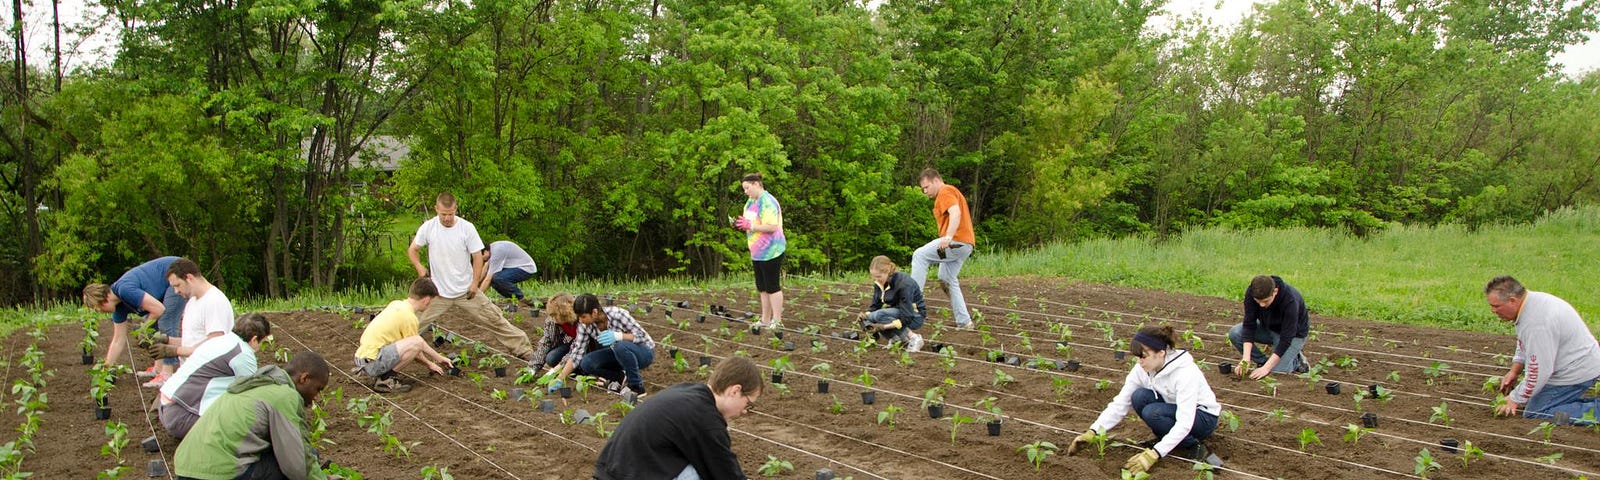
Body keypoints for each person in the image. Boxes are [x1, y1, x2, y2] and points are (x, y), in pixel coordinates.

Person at [1067, 326, 1222, 476]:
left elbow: (1185, 421)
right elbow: (1121, 402)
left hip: (1203, 418)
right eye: (1137, 356)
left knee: (1152, 413)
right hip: (1173, 410)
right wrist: (1093, 431)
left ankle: (1193, 446)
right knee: (1139, 396)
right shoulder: (1142, 368)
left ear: (1161, 353)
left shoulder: (1185, 373)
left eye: (1144, 356)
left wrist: (1155, 454)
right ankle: (1167, 437)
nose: (1140, 361)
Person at [407, 192, 535, 361]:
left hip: (466, 290)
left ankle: (523, 350)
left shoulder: (466, 228)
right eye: (443, 214)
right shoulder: (428, 227)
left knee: (494, 318)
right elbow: (413, 250)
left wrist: (475, 283)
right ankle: (391, 352)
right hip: (437, 292)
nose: (447, 218)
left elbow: (477, 257)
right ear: (436, 209)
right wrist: (420, 268)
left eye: (451, 214)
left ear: (455, 209)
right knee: (412, 323)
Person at [594, 357, 763, 480]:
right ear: (735, 391)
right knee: (699, 474)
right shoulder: (705, 418)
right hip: (626, 474)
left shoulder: (689, 392)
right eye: (748, 403)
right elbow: (725, 471)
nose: (745, 411)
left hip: (611, 470)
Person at [174, 351, 330, 480]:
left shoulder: (256, 384)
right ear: (304, 378)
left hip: (186, 469)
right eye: (318, 389)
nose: (316, 396)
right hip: (217, 474)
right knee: (294, 465)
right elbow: (297, 465)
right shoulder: (285, 395)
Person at [1486, 276, 1600, 424]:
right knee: (1538, 401)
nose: (1492, 311)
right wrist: (1515, 370)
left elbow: (1539, 371)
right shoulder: (1530, 303)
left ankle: (1595, 412)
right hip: (1578, 363)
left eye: (1496, 306)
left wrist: (1514, 399)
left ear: (1512, 300)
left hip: (1575, 371)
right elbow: (1524, 341)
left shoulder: (1537, 323)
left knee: (1537, 413)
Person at [158, 313, 270, 440]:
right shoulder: (242, 353)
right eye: (262, 342)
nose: (260, 348)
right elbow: (251, 395)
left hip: (165, 406)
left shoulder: (219, 341)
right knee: (246, 423)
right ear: (254, 339)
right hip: (182, 417)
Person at [83, 256, 186, 383]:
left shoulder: (125, 290)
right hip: (163, 287)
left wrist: (143, 328)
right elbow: (118, 340)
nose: (101, 312)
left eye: (98, 308)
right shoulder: (119, 308)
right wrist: (106, 370)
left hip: (176, 272)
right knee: (152, 323)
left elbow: (159, 309)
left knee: (165, 321)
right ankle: (158, 369)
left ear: (103, 300)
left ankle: (167, 374)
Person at [147, 258, 237, 388]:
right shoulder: (192, 301)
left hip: (207, 379)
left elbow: (214, 349)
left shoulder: (214, 302)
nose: (176, 291)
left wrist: (174, 351)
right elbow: (194, 341)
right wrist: (165, 340)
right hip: (191, 374)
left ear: (189, 278)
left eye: (177, 285)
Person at [354, 278, 453, 394]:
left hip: (362, 358)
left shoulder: (396, 304)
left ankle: (383, 377)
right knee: (417, 341)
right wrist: (435, 360)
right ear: (426, 300)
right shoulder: (409, 317)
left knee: (415, 343)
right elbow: (416, 347)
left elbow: (409, 346)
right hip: (372, 362)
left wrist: (429, 363)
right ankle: (385, 380)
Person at [552, 294, 656, 396]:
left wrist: (619, 336)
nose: (580, 320)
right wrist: (559, 378)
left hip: (643, 353)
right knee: (586, 363)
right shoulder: (584, 326)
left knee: (620, 346)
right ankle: (619, 377)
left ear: (594, 312)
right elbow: (577, 353)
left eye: (583, 316)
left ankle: (636, 386)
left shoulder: (618, 314)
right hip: (619, 354)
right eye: (579, 317)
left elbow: (644, 337)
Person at [912, 168, 976, 329]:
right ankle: (964, 322)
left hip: (956, 241)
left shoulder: (945, 191)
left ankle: (912, 302)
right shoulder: (950, 192)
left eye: (926, 187)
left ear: (935, 181)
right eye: (923, 189)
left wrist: (948, 236)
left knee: (919, 255)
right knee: (947, 278)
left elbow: (955, 212)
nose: (925, 192)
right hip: (966, 244)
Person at [1228, 275, 1310, 379]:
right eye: (1258, 302)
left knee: (1277, 373)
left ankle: (1297, 361)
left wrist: (1267, 368)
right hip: (1268, 328)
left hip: (1294, 335)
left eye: (1266, 301)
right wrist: (1245, 359)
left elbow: (1286, 338)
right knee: (1235, 333)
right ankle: (1262, 362)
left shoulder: (1290, 300)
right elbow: (1249, 325)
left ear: (1275, 292)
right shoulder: (1252, 292)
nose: (1261, 305)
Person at [733, 173, 786, 329]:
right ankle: (765, 319)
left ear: (756, 184)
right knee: (762, 286)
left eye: (747, 188)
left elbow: (772, 226)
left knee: (772, 286)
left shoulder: (768, 202)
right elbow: (749, 222)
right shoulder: (750, 202)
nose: (745, 192)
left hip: (771, 250)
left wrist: (751, 226)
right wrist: (742, 225)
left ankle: (777, 320)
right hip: (757, 252)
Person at [856, 256, 926, 352]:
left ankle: (914, 338)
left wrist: (883, 327)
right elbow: (875, 305)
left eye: (878, 276)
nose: (876, 279)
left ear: (888, 271)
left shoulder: (904, 284)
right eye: (874, 276)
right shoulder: (880, 283)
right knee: (871, 317)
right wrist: (865, 315)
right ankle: (896, 339)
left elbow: (907, 316)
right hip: (898, 310)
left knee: (880, 315)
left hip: (914, 315)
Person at [476, 240, 539, 305]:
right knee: (495, 278)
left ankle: (519, 297)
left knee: (497, 278)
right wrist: (475, 285)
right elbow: (484, 271)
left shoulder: (497, 252)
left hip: (526, 268)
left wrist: (478, 298)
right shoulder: (491, 249)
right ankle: (510, 296)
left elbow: (487, 279)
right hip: (515, 266)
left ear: (485, 251)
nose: (481, 260)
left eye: (481, 257)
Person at [530, 293, 579, 371]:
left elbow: (579, 347)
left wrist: (560, 365)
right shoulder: (552, 321)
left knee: (585, 363)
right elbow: (546, 342)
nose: (553, 319)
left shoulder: (582, 319)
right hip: (574, 343)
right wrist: (533, 368)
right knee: (551, 358)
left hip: (589, 345)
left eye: (555, 316)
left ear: (564, 314)